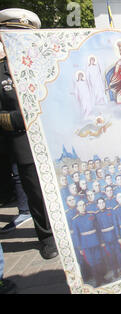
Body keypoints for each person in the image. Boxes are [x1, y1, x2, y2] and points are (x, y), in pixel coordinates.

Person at [0, 8, 58, 260]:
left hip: (52, 137)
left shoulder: (45, 63)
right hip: (23, 140)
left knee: (58, 188)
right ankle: (46, 237)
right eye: (12, 34)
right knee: (36, 192)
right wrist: (22, 117)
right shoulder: (1, 69)